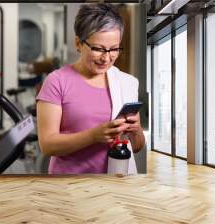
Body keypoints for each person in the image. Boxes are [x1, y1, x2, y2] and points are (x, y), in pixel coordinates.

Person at [36, 3, 145, 174]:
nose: (106, 57)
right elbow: (47, 145)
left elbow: (137, 147)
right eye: (98, 49)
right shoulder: (56, 81)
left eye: (114, 49)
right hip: (68, 187)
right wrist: (93, 136)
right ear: (78, 43)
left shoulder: (127, 83)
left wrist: (136, 130)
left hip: (115, 186)